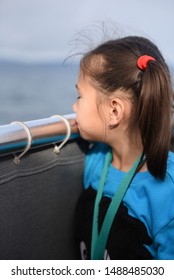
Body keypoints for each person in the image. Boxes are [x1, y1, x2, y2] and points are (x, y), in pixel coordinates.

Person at [73, 35, 174, 260]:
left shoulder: (168, 193)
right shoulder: (96, 158)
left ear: (114, 111)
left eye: (80, 96)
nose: (73, 106)